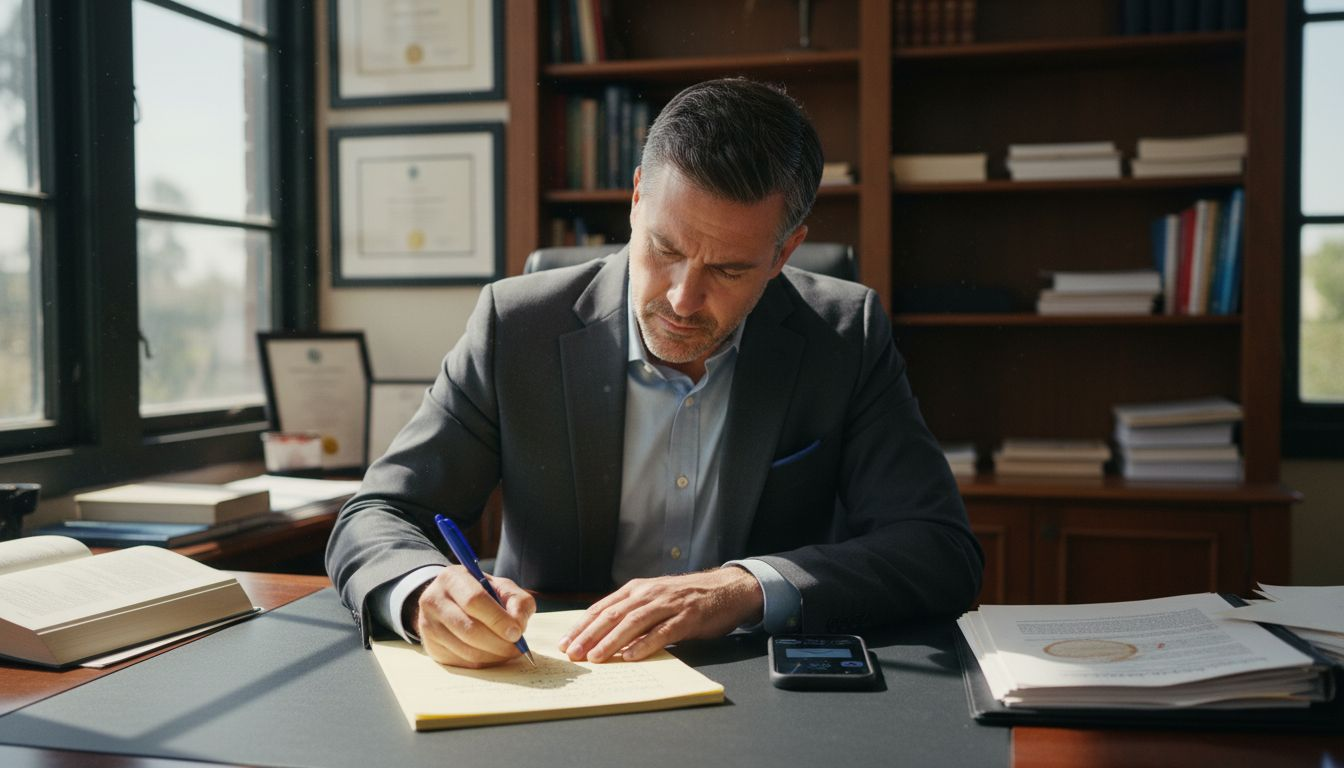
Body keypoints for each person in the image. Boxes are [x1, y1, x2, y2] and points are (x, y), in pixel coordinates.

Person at [326, 78, 983, 669]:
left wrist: (743, 587)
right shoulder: (517, 326)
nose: (681, 300)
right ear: (638, 200)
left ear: (785, 250)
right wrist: (420, 595)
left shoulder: (843, 334)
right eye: (665, 250)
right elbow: (378, 512)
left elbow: (938, 550)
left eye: (728, 270)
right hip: (552, 677)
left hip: (754, 687)